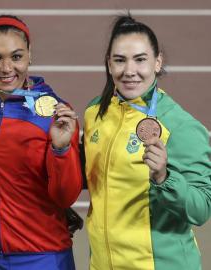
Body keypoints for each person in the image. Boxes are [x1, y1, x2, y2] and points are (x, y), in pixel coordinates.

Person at [0, 15, 83, 270]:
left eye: (16, 56)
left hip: (44, 256)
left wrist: (61, 148)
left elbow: (66, 196)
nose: (6, 68)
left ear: (30, 55)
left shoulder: (55, 113)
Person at [83, 14, 211, 270]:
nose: (129, 71)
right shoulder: (96, 112)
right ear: (109, 64)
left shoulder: (180, 126)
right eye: (120, 60)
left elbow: (201, 209)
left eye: (140, 60)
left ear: (157, 62)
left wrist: (164, 177)